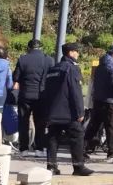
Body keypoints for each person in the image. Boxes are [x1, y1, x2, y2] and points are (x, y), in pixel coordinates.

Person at [40, 43, 93, 177]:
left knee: (53, 137)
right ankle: (78, 166)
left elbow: (46, 90)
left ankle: (51, 166)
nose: (78, 54)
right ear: (71, 53)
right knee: (77, 136)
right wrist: (80, 112)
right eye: (77, 51)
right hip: (68, 111)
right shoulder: (72, 68)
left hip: (53, 110)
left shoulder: (53, 69)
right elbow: (75, 92)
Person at [12, 39, 54, 156]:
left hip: (25, 95)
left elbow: (16, 77)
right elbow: (52, 78)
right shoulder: (49, 60)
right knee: (40, 123)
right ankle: (39, 149)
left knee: (23, 122)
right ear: (41, 48)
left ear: (29, 48)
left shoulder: (23, 59)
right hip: (42, 95)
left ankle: (24, 149)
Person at [84, 44, 113, 158]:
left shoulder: (100, 66)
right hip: (111, 101)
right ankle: (112, 151)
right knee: (111, 127)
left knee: (94, 125)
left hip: (98, 100)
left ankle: (82, 147)